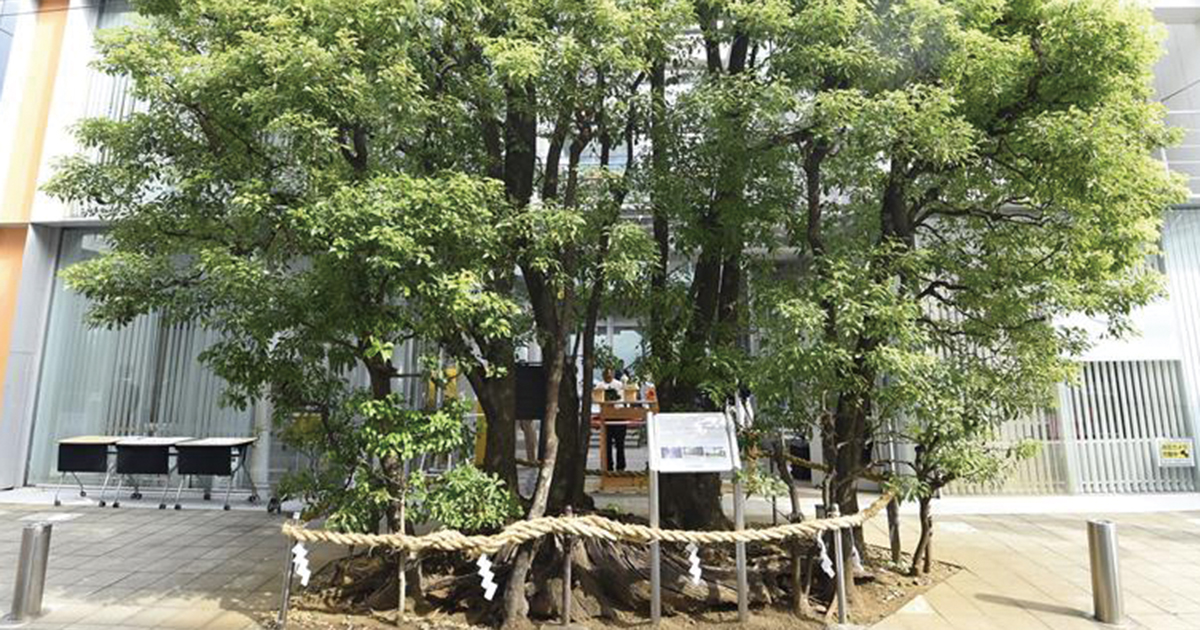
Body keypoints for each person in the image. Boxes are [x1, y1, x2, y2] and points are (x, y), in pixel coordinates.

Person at [596, 368, 627, 471]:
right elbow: (597, 398)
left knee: (620, 444)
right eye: (606, 375)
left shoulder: (619, 384)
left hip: (618, 416)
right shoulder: (599, 386)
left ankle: (621, 466)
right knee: (606, 445)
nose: (608, 376)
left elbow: (622, 398)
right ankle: (608, 466)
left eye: (610, 374)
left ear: (613, 374)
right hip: (606, 417)